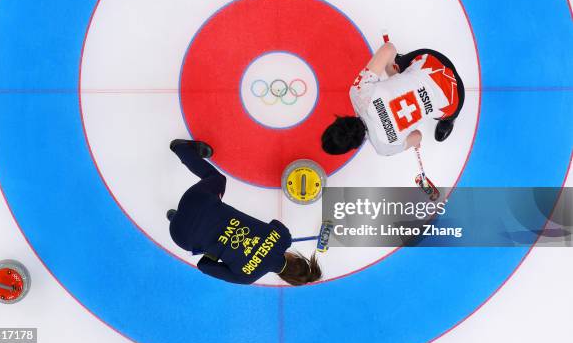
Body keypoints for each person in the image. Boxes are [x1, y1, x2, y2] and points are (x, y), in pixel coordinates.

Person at [167, 139, 322, 285]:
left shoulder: (283, 238)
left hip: (195, 201)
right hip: (180, 235)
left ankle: (181, 149)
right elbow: (204, 266)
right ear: (282, 277)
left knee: (217, 178)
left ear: (294, 257)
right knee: (200, 237)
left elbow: (275, 224)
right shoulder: (247, 277)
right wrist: (218, 246)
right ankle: (176, 218)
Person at [321, 42, 465, 156]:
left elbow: (418, 136)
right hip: (435, 61)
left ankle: (448, 121)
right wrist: (391, 70)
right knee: (396, 66)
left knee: (448, 112)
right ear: (339, 120)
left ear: (353, 146)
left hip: (454, 97)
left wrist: (410, 142)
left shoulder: (384, 147)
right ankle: (400, 67)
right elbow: (389, 48)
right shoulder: (358, 93)